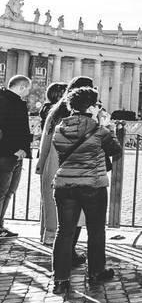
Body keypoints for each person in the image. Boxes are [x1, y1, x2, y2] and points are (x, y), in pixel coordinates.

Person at [50, 86, 123, 295]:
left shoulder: (60, 128)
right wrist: (106, 125)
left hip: (64, 184)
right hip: (92, 184)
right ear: (91, 106)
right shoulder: (98, 129)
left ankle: (60, 279)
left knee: (64, 232)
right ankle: (96, 271)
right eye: (97, 104)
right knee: (96, 229)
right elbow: (115, 150)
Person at [41, 77, 95, 261]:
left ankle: (61, 257)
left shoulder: (55, 111)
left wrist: (42, 164)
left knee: (60, 213)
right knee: (76, 212)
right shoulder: (84, 115)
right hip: (75, 168)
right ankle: (68, 254)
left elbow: (45, 141)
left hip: (54, 165)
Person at [35, 82, 69, 244]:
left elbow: (45, 141)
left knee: (48, 199)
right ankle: (52, 236)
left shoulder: (50, 112)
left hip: (49, 160)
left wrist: (41, 163)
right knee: (57, 201)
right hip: (59, 161)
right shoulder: (60, 114)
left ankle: (46, 233)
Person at [0, 75, 32, 237]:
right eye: (28, 89)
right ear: (22, 87)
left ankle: (1, 226)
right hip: (6, 155)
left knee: (9, 192)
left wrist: (23, 150)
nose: (28, 92)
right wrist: (13, 149)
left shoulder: (15, 101)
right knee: (1, 192)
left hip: (16, 155)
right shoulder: (4, 100)